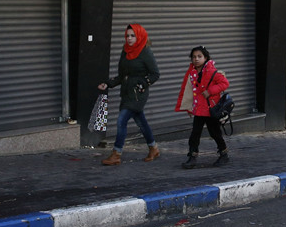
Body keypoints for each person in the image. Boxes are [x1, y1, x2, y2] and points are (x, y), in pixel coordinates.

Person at [98, 24, 161, 166]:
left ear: (140, 36)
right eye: (127, 35)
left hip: (138, 95)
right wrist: (108, 84)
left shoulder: (145, 52)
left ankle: (116, 154)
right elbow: (122, 75)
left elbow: (155, 74)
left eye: (133, 36)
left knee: (121, 120)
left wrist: (142, 84)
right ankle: (153, 148)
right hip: (126, 92)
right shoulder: (125, 51)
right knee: (141, 122)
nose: (130, 38)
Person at [174, 46, 230, 168]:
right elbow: (190, 92)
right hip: (199, 110)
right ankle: (192, 157)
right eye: (194, 57)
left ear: (205, 58)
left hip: (210, 110)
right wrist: (189, 107)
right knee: (195, 134)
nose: (196, 59)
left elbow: (225, 83)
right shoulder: (192, 73)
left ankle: (224, 154)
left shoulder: (212, 72)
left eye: (199, 56)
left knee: (215, 133)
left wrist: (210, 91)